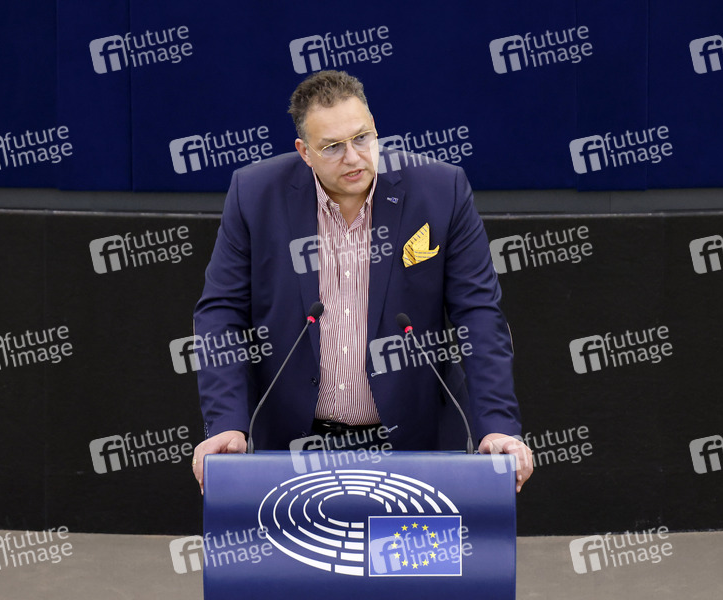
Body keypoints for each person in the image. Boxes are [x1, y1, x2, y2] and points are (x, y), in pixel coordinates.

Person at [191, 70, 532, 492]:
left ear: (375, 130)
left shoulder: (441, 190)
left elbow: (478, 315)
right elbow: (220, 313)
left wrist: (496, 426)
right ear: (304, 152)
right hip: (292, 445)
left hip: (415, 443)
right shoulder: (255, 194)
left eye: (362, 138)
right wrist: (226, 422)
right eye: (332, 147)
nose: (353, 157)